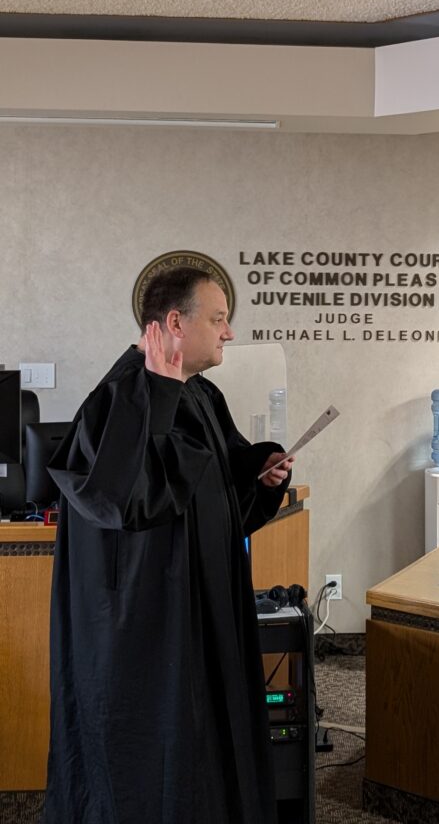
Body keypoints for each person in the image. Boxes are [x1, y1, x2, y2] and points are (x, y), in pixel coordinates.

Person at [44, 267, 294, 824]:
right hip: (149, 634)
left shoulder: (198, 392)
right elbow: (121, 501)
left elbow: (214, 487)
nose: (229, 333)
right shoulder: (122, 395)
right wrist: (156, 393)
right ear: (175, 323)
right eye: (219, 318)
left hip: (201, 615)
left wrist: (258, 468)